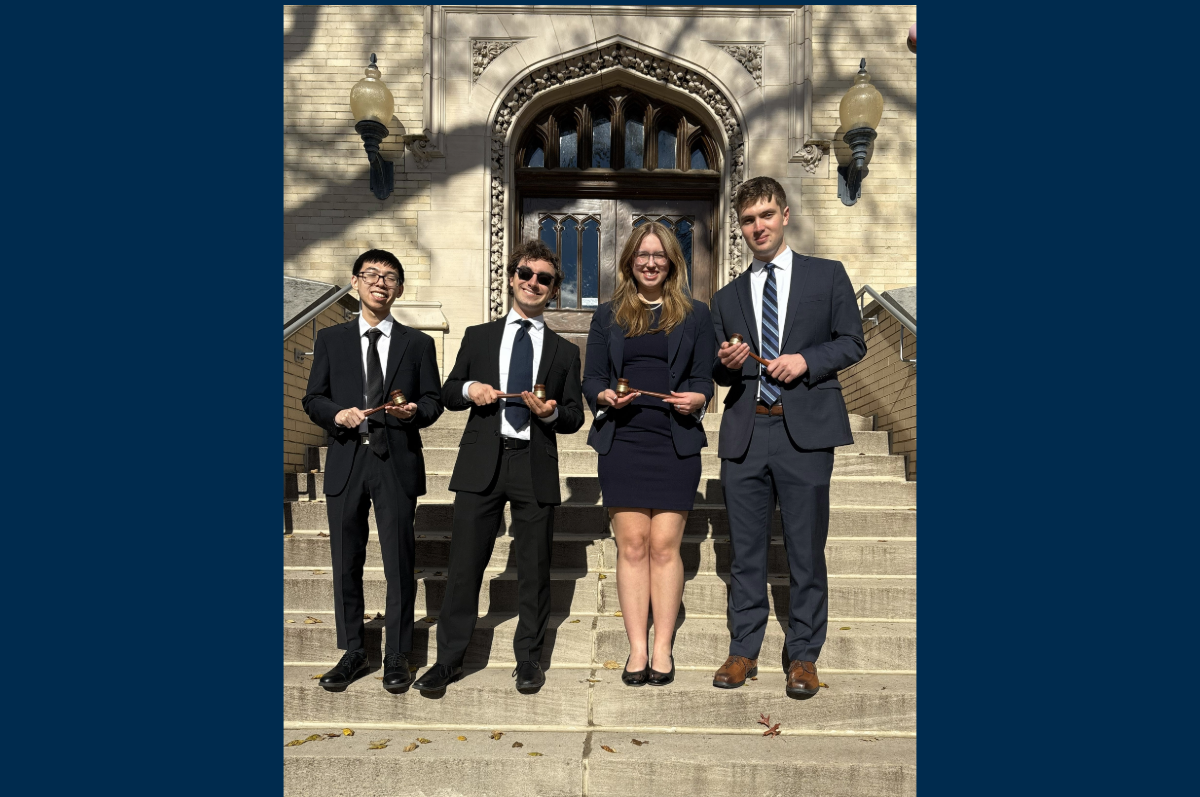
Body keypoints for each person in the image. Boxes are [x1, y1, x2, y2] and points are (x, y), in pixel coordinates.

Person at [709, 177, 866, 699]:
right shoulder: (727, 297)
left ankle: (803, 656)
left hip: (806, 433)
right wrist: (726, 362)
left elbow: (853, 342)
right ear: (741, 226)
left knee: (806, 551)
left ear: (785, 215)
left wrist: (805, 360)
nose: (759, 226)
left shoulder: (827, 276)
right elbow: (722, 370)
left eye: (766, 215)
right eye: (748, 219)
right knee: (746, 552)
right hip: (747, 432)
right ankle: (743, 650)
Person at [412, 240, 586, 695]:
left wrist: (551, 412)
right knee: (464, 566)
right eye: (526, 273)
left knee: (535, 569)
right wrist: (471, 388)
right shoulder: (479, 336)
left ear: (554, 290)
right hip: (481, 463)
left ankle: (529, 659)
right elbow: (448, 392)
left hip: (534, 463)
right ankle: (449, 660)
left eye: (544, 278)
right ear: (511, 278)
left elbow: (574, 416)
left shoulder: (564, 351)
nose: (533, 283)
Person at [302, 249, 444, 694]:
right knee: (346, 559)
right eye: (372, 275)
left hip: (395, 461)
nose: (381, 283)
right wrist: (336, 414)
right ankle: (354, 650)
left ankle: (398, 653)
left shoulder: (417, 344)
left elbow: (433, 401)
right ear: (355, 282)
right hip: (347, 458)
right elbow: (313, 398)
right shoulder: (332, 339)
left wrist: (414, 412)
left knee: (399, 561)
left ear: (399, 288)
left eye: (390, 277)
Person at [582, 222, 715, 687]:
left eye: (659, 255)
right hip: (623, 440)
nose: (651, 262)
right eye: (643, 255)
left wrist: (698, 398)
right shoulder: (607, 315)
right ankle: (637, 647)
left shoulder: (696, 315)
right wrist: (603, 397)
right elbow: (592, 378)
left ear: (673, 262)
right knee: (633, 545)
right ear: (630, 262)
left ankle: (663, 647)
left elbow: (703, 378)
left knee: (664, 546)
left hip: (674, 441)